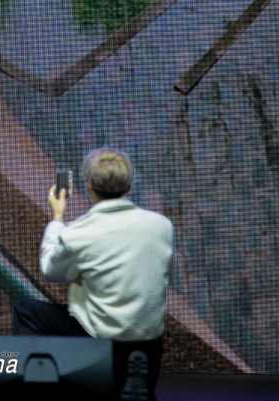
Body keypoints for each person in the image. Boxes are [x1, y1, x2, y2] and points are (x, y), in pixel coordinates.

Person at [13, 148, 174, 400]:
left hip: (100, 340)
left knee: (26, 311)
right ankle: (127, 378)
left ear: (88, 188)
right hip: (148, 344)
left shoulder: (78, 233)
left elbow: (50, 270)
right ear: (129, 186)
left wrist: (57, 219)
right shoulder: (162, 226)